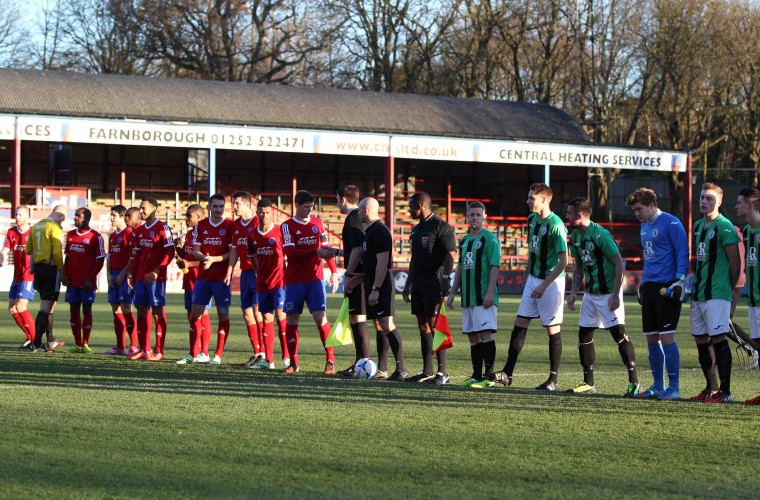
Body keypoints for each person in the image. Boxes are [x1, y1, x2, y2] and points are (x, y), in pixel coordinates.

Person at [487, 183, 567, 390]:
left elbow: (563, 262)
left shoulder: (556, 225)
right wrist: (526, 275)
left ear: (544, 199)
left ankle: (553, 380)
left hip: (551, 281)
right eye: (529, 197)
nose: (528, 201)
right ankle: (508, 373)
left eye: (532, 198)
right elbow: (532, 251)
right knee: (520, 323)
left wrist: (544, 285)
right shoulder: (532, 219)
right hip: (533, 278)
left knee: (552, 329)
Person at [565, 197, 639, 395]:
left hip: (608, 294)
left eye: (570, 213)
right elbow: (579, 266)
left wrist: (616, 294)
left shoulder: (601, 235)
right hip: (590, 294)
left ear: (579, 215)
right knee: (584, 335)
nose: (567, 216)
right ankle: (588, 382)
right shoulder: (576, 236)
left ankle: (634, 382)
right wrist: (573, 293)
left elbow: (618, 263)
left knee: (618, 335)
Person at [625, 187, 689, 400]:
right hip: (650, 287)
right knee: (651, 339)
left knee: (667, 337)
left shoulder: (671, 223)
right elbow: (650, 257)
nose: (637, 213)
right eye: (634, 210)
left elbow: (682, 252)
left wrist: (679, 279)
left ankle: (675, 388)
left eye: (639, 209)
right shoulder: (644, 226)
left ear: (652, 205)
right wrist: (643, 283)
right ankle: (658, 386)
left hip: (668, 286)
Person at [687, 182, 740, 403]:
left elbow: (735, 263)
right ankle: (711, 388)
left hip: (717, 293)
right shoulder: (698, 226)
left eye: (709, 198)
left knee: (718, 338)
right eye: (701, 197)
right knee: (701, 339)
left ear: (718, 202)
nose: (703, 201)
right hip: (698, 293)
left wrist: (727, 289)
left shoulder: (725, 226)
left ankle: (725, 393)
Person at [346, 197, 408, 380]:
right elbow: (372, 264)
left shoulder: (380, 231)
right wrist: (360, 277)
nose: (357, 214)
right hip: (373, 283)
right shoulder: (370, 231)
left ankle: (401, 369)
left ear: (365, 211)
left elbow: (382, 263)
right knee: (381, 325)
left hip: (380, 286)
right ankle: (384, 369)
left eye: (359, 211)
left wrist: (375, 288)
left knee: (387, 325)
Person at [281, 190, 339, 374]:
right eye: (305, 207)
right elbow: (290, 252)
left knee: (320, 318)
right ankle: (293, 362)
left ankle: (330, 359)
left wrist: (334, 272)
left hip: (315, 280)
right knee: (291, 319)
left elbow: (326, 248)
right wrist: (315, 252)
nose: (309, 210)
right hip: (294, 281)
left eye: (311, 207)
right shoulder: (287, 226)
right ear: (296, 205)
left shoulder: (318, 223)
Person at [402, 191, 457, 384]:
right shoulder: (417, 229)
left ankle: (443, 372)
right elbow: (414, 259)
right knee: (423, 325)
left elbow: (450, 255)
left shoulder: (441, 226)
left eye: (411, 207)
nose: (409, 211)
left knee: (436, 326)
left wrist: (446, 279)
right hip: (419, 282)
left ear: (420, 206)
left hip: (435, 281)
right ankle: (427, 371)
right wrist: (408, 284)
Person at [318, 185, 371, 377]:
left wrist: (348, 274)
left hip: (357, 276)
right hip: (362, 273)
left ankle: (363, 363)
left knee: (358, 318)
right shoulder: (359, 218)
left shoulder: (352, 219)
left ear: (343, 199)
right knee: (357, 318)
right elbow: (356, 249)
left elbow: (357, 249)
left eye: (337, 199)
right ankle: (362, 362)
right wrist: (337, 252)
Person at [446, 201, 500, 388]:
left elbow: (495, 266)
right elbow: (460, 268)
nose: (475, 218)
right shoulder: (464, 240)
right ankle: (476, 375)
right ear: (467, 217)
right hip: (468, 297)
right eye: (472, 215)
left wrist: (489, 293)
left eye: (478, 214)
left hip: (483, 296)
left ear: (484, 216)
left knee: (485, 334)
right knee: (472, 336)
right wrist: (453, 292)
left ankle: (489, 376)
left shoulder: (490, 239)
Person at [188, 194, 233, 366]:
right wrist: (204, 258)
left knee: (223, 315)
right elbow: (195, 251)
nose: (219, 210)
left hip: (221, 279)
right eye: (215, 206)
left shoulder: (229, 225)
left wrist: (214, 259)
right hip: (204, 278)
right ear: (209, 207)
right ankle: (196, 353)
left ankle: (218, 354)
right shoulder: (201, 225)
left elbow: (231, 253)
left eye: (221, 206)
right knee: (195, 313)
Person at [128, 197, 175, 361]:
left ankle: (160, 351)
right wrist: (131, 274)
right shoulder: (139, 231)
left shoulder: (163, 228)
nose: (141, 211)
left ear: (154, 209)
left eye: (144, 208)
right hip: (140, 276)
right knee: (141, 309)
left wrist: (156, 272)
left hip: (156, 278)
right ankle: (144, 349)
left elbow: (170, 252)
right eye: (140, 208)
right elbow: (137, 255)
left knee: (157, 311)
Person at [247, 198, 289, 370]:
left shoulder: (280, 231)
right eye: (261, 212)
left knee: (281, 317)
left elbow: (289, 254)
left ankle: (286, 357)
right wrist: (259, 274)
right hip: (262, 283)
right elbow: (253, 259)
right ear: (257, 213)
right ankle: (269, 361)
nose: (264, 215)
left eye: (267, 212)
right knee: (266, 318)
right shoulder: (252, 235)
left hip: (279, 282)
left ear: (273, 213)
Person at [227, 191, 264, 367]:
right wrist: (229, 270)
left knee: (258, 312)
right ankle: (257, 352)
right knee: (247, 313)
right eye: (233, 203)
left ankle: (264, 354)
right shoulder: (235, 225)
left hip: (258, 272)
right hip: (245, 274)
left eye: (237, 204)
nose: (234, 207)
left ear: (248, 205)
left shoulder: (258, 222)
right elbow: (234, 250)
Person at [25, 205, 67, 352]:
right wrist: (62, 272)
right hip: (50, 270)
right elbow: (57, 252)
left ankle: (49, 340)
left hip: (38, 269)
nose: (62, 223)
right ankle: (36, 343)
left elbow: (28, 249)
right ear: (60, 216)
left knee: (48, 307)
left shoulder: (36, 226)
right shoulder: (54, 227)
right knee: (45, 308)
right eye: (63, 220)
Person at [64, 207, 106, 353]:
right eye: (75, 216)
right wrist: (64, 274)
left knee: (87, 309)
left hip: (87, 282)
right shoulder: (70, 235)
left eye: (78, 216)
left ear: (87, 218)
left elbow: (100, 261)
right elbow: (68, 258)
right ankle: (77, 344)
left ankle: (86, 344)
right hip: (72, 281)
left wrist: (91, 278)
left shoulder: (96, 237)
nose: (75, 218)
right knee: (73, 309)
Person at [175, 204, 213, 364]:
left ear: (199, 217)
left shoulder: (206, 234)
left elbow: (206, 260)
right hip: (188, 281)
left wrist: (189, 264)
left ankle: (204, 352)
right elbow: (187, 258)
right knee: (191, 316)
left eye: (189, 216)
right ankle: (194, 351)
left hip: (201, 281)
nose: (185, 219)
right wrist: (179, 251)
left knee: (203, 315)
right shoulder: (189, 235)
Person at [1, 205, 38, 349]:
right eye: (16, 214)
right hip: (16, 277)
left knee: (20, 306)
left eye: (20, 215)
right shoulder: (11, 232)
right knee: (12, 308)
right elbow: (4, 249)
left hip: (29, 276)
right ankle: (29, 338)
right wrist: (1, 257)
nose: (17, 217)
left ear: (27, 217)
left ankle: (36, 341)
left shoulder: (33, 232)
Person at [736, 187, 760, 404]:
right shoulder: (749, 231)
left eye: (739, 203)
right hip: (753, 299)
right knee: (758, 344)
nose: (736, 207)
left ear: (750, 205)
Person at [104, 205, 136, 355]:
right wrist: (109, 274)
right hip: (114, 275)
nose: (111, 218)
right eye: (111, 215)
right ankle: (120, 346)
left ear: (123, 216)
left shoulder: (129, 233)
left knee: (126, 309)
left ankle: (134, 345)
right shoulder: (113, 235)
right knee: (115, 310)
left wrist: (123, 274)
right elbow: (110, 256)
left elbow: (132, 258)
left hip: (124, 275)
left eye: (114, 215)